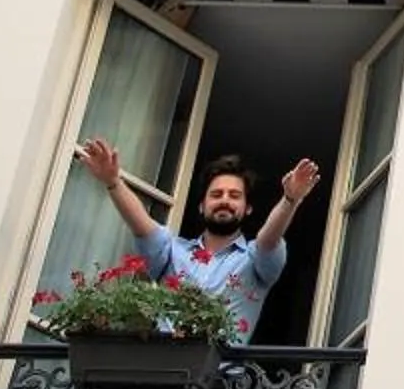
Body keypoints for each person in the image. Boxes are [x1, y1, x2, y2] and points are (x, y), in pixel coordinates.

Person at [75, 141, 322, 341]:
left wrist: (290, 200)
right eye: (216, 194)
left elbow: (268, 240)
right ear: (202, 206)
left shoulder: (254, 260)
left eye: (234, 195)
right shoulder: (173, 252)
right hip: (162, 381)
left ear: (247, 209)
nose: (225, 200)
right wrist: (113, 182)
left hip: (223, 388)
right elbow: (142, 225)